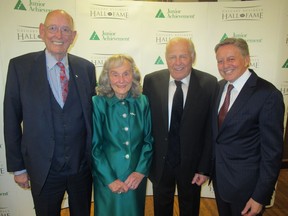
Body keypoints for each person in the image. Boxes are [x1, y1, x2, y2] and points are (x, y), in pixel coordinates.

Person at [3, 10, 96, 216]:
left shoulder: (86, 68)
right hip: (43, 169)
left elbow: (93, 118)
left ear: (73, 36)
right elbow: (11, 119)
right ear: (42, 31)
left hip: (81, 168)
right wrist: (18, 167)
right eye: (53, 28)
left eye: (65, 30)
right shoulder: (20, 67)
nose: (59, 35)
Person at [143, 37, 219, 216]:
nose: (177, 62)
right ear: (166, 58)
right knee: (161, 208)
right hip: (160, 163)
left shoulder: (209, 84)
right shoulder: (151, 81)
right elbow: (146, 124)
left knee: (190, 209)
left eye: (183, 56)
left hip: (192, 166)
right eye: (172, 57)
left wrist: (204, 167)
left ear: (192, 57)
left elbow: (210, 130)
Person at [211, 37, 284, 216]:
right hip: (221, 182)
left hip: (247, 190)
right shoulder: (219, 87)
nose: (225, 65)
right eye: (220, 61)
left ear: (247, 59)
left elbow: (272, 153)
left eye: (231, 59)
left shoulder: (268, 95)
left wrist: (260, 196)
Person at [91, 54, 153, 216]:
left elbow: (148, 141)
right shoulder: (97, 103)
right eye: (115, 74)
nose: (121, 80)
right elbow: (94, 147)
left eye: (126, 73)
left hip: (135, 178)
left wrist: (140, 171)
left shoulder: (143, 101)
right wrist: (109, 179)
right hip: (107, 178)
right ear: (107, 77)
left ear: (133, 76)